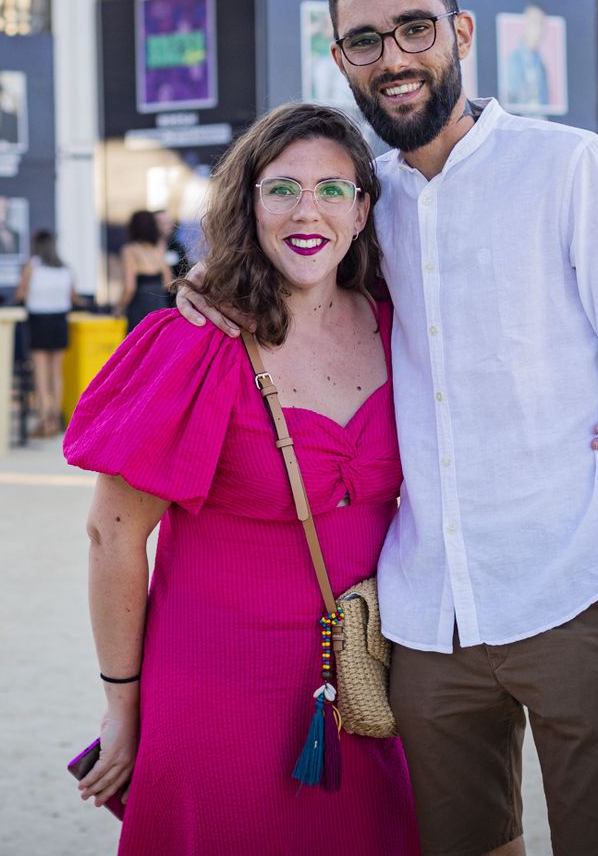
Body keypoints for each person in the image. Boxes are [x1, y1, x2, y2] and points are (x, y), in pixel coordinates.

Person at [179, 0, 598, 855]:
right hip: (424, 623)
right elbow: (281, 274)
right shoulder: (358, 199)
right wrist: (203, 280)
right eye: (366, 41)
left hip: (572, 591)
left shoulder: (570, 170)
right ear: (342, 60)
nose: (394, 57)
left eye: (414, 28)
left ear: (458, 32)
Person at [67, 104, 420, 853]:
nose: (307, 211)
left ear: (363, 210)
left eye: (332, 190)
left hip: (370, 680)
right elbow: (113, 534)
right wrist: (123, 709)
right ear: (248, 203)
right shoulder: (198, 342)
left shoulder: (406, 328)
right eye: (282, 188)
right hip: (218, 687)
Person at [14, 230, 80, 438]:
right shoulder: (65, 268)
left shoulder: (31, 266)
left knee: (41, 373)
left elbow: (21, 293)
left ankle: (44, 420)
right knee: (56, 372)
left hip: (38, 320)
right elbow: (73, 296)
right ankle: (55, 417)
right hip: (60, 319)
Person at [117, 210, 169, 333]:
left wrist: (119, 307)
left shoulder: (129, 250)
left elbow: (130, 287)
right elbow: (168, 281)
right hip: (159, 304)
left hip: (139, 306)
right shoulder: (160, 247)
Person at [500, 2, 551, 112]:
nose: (539, 29)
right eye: (535, 22)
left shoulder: (541, 63)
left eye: (542, 23)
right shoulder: (512, 61)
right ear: (525, 24)